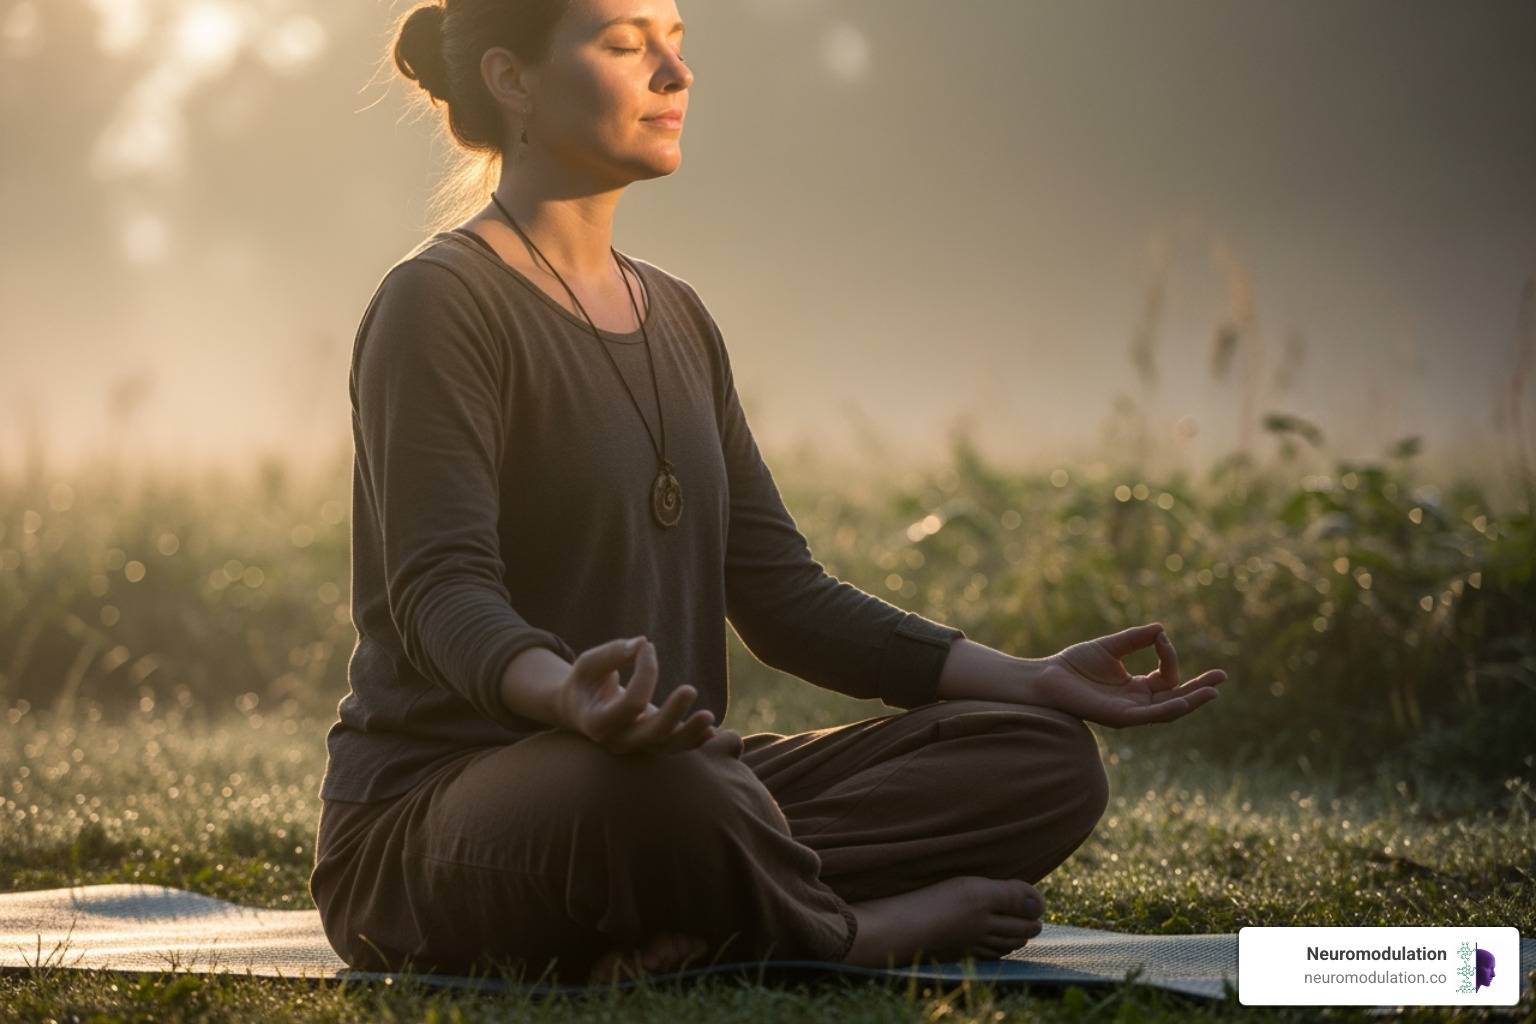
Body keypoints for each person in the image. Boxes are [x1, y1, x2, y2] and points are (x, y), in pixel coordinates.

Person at [309, 0, 1227, 982]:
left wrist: (1029, 675)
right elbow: (442, 591)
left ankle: (706, 914)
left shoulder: (678, 316)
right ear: (512, 79)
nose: (675, 73)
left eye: (677, 43)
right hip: (439, 816)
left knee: (1043, 760)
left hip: (677, 778)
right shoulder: (438, 302)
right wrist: (564, 696)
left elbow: (783, 595)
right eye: (627, 45)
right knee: (662, 799)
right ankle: (849, 931)